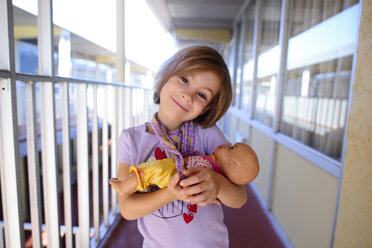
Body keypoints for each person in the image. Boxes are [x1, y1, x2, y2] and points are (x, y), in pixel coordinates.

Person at [114, 45, 253, 247]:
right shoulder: (131, 139)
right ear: (167, 74)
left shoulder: (208, 134)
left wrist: (218, 184)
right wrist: (170, 194)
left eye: (202, 95)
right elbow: (127, 208)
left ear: (207, 108)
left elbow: (240, 197)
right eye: (185, 80)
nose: (188, 96)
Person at [109, 142, 259, 198]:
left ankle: (123, 187)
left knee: (150, 171)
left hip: (172, 173)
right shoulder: (212, 162)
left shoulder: (213, 173)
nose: (226, 145)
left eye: (231, 148)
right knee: (150, 172)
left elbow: (238, 198)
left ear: (231, 164)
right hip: (173, 170)